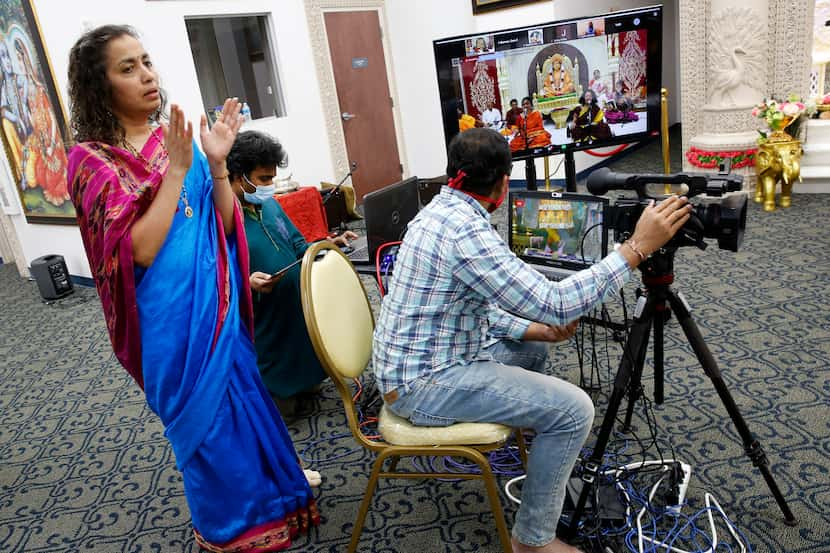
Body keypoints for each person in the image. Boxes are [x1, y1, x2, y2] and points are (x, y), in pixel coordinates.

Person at [373, 128, 691, 553]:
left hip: (417, 363)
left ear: (454, 173)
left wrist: (532, 329)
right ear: (505, 184)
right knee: (575, 410)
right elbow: (557, 303)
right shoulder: (467, 233)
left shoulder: (438, 212)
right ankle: (533, 543)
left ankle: (537, 449)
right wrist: (636, 248)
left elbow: (469, 305)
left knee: (533, 347)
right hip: (422, 385)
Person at [66, 25, 318, 552]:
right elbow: (140, 249)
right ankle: (230, 530)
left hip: (218, 307)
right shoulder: (91, 162)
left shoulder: (176, 141)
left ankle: (274, 505)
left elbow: (226, 224)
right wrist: (180, 170)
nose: (147, 75)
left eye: (147, 61)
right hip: (166, 323)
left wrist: (219, 163)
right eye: (127, 68)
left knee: (247, 407)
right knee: (206, 434)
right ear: (99, 84)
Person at [226, 130, 357, 413]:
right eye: (263, 179)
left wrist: (326, 243)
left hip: (295, 308)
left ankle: (303, 381)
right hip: (261, 319)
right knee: (279, 408)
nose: (270, 186)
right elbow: (212, 274)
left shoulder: (269, 204)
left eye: (272, 178)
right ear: (238, 176)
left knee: (310, 372)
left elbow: (297, 242)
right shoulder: (222, 218)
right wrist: (246, 282)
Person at [15, 37, 69, 206]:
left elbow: (52, 118)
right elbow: (31, 116)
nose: (19, 65)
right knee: (39, 176)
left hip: (51, 139)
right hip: (40, 139)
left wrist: (52, 142)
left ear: (27, 61)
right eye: (16, 60)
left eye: (20, 60)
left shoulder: (39, 89)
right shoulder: (24, 90)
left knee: (53, 181)